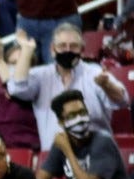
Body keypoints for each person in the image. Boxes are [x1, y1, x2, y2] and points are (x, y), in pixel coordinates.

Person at [7, 23, 130, 152]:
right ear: (52, 49)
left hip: (94, 156)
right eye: (62, 46)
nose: (67, 50)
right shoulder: (40, 75)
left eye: (74, 46)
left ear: (82, 50)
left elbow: (123, 100)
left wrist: (107, 85)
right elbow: (17, 88)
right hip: (54, 160)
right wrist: (26, 50)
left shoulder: (94, 72)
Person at [36, 89, 131, 179]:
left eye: (82, 112)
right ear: (61, 122)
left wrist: (68, 151)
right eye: (72, 116)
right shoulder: (63, 142)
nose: (80, 119)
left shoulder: (102, 141)